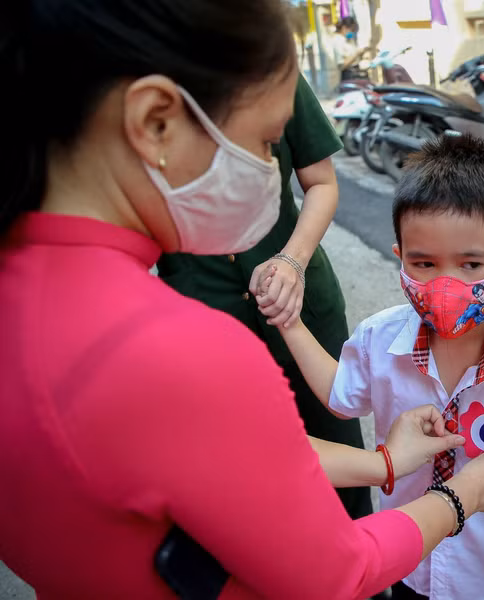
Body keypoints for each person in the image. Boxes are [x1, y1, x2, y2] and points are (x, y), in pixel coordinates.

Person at [0, 1, 484, 598]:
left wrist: (385, 465)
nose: (267, 170)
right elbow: (334, 574)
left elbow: (247, 460)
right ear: (156, 121)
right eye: (264, 143)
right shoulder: (183, 351)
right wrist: (466, 495)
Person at [278, 134, 484, 600]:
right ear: (400, 260)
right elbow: (341, 395)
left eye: (471, 264)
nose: (446, 284)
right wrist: (290, 324)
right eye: (423, 263)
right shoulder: (378, 340)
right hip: (409, 559)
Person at [155, 72, 374, 520]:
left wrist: (292, 260)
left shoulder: (270, 69)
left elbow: (322, 183)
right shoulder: (133, 94)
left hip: (304, 306)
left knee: (343, 459)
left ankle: (369, 580)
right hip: (203, 322)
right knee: (247, 471)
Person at [334, 16, 370, 81]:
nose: (353, 33)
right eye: (352, 30)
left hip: (356, 71)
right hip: (348, 75)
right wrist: (357, 54)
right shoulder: (338, 41)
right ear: (344, 28)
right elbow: (342, 66)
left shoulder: (349, 39)